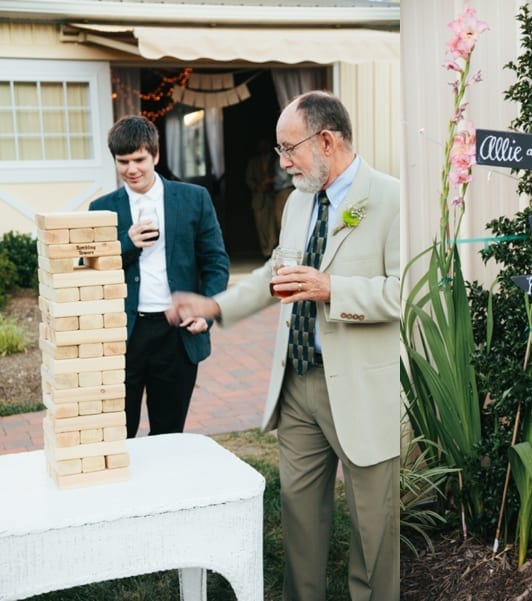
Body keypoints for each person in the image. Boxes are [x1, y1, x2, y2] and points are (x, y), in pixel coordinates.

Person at [167, 90, 400, 601]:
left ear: (326, 141)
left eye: (287, 148)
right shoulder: (297, 201)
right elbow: (276, 273)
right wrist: (216, 306)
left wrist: (331, 289)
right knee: (299, 521)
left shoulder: (392, 199)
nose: (283, 161)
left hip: (360, 389)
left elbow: (409, 294)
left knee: (373, 530)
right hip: (296, 386)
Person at [90, 115, 229, 439]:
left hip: (176, 333)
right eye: (123, 162)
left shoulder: (194, 198)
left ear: (155, 156)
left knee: (169, 434)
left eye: (139, 159)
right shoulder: (102, 208)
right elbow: (90, 269)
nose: (131, 169)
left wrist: (206, 312)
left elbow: (216, 262)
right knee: (116, 434)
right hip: (124, 335)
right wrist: (127, 245)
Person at [245, 137, 278, 259]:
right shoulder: (254, 161)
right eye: (261, 145)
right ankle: (265, 251)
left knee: (272, 227)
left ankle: (272, 251)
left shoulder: (276, 159)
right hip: (259, 199)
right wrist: (257, 187)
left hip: (272, 197)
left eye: (266, 144)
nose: (263, 147)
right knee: (261, 227)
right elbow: (248, 178)